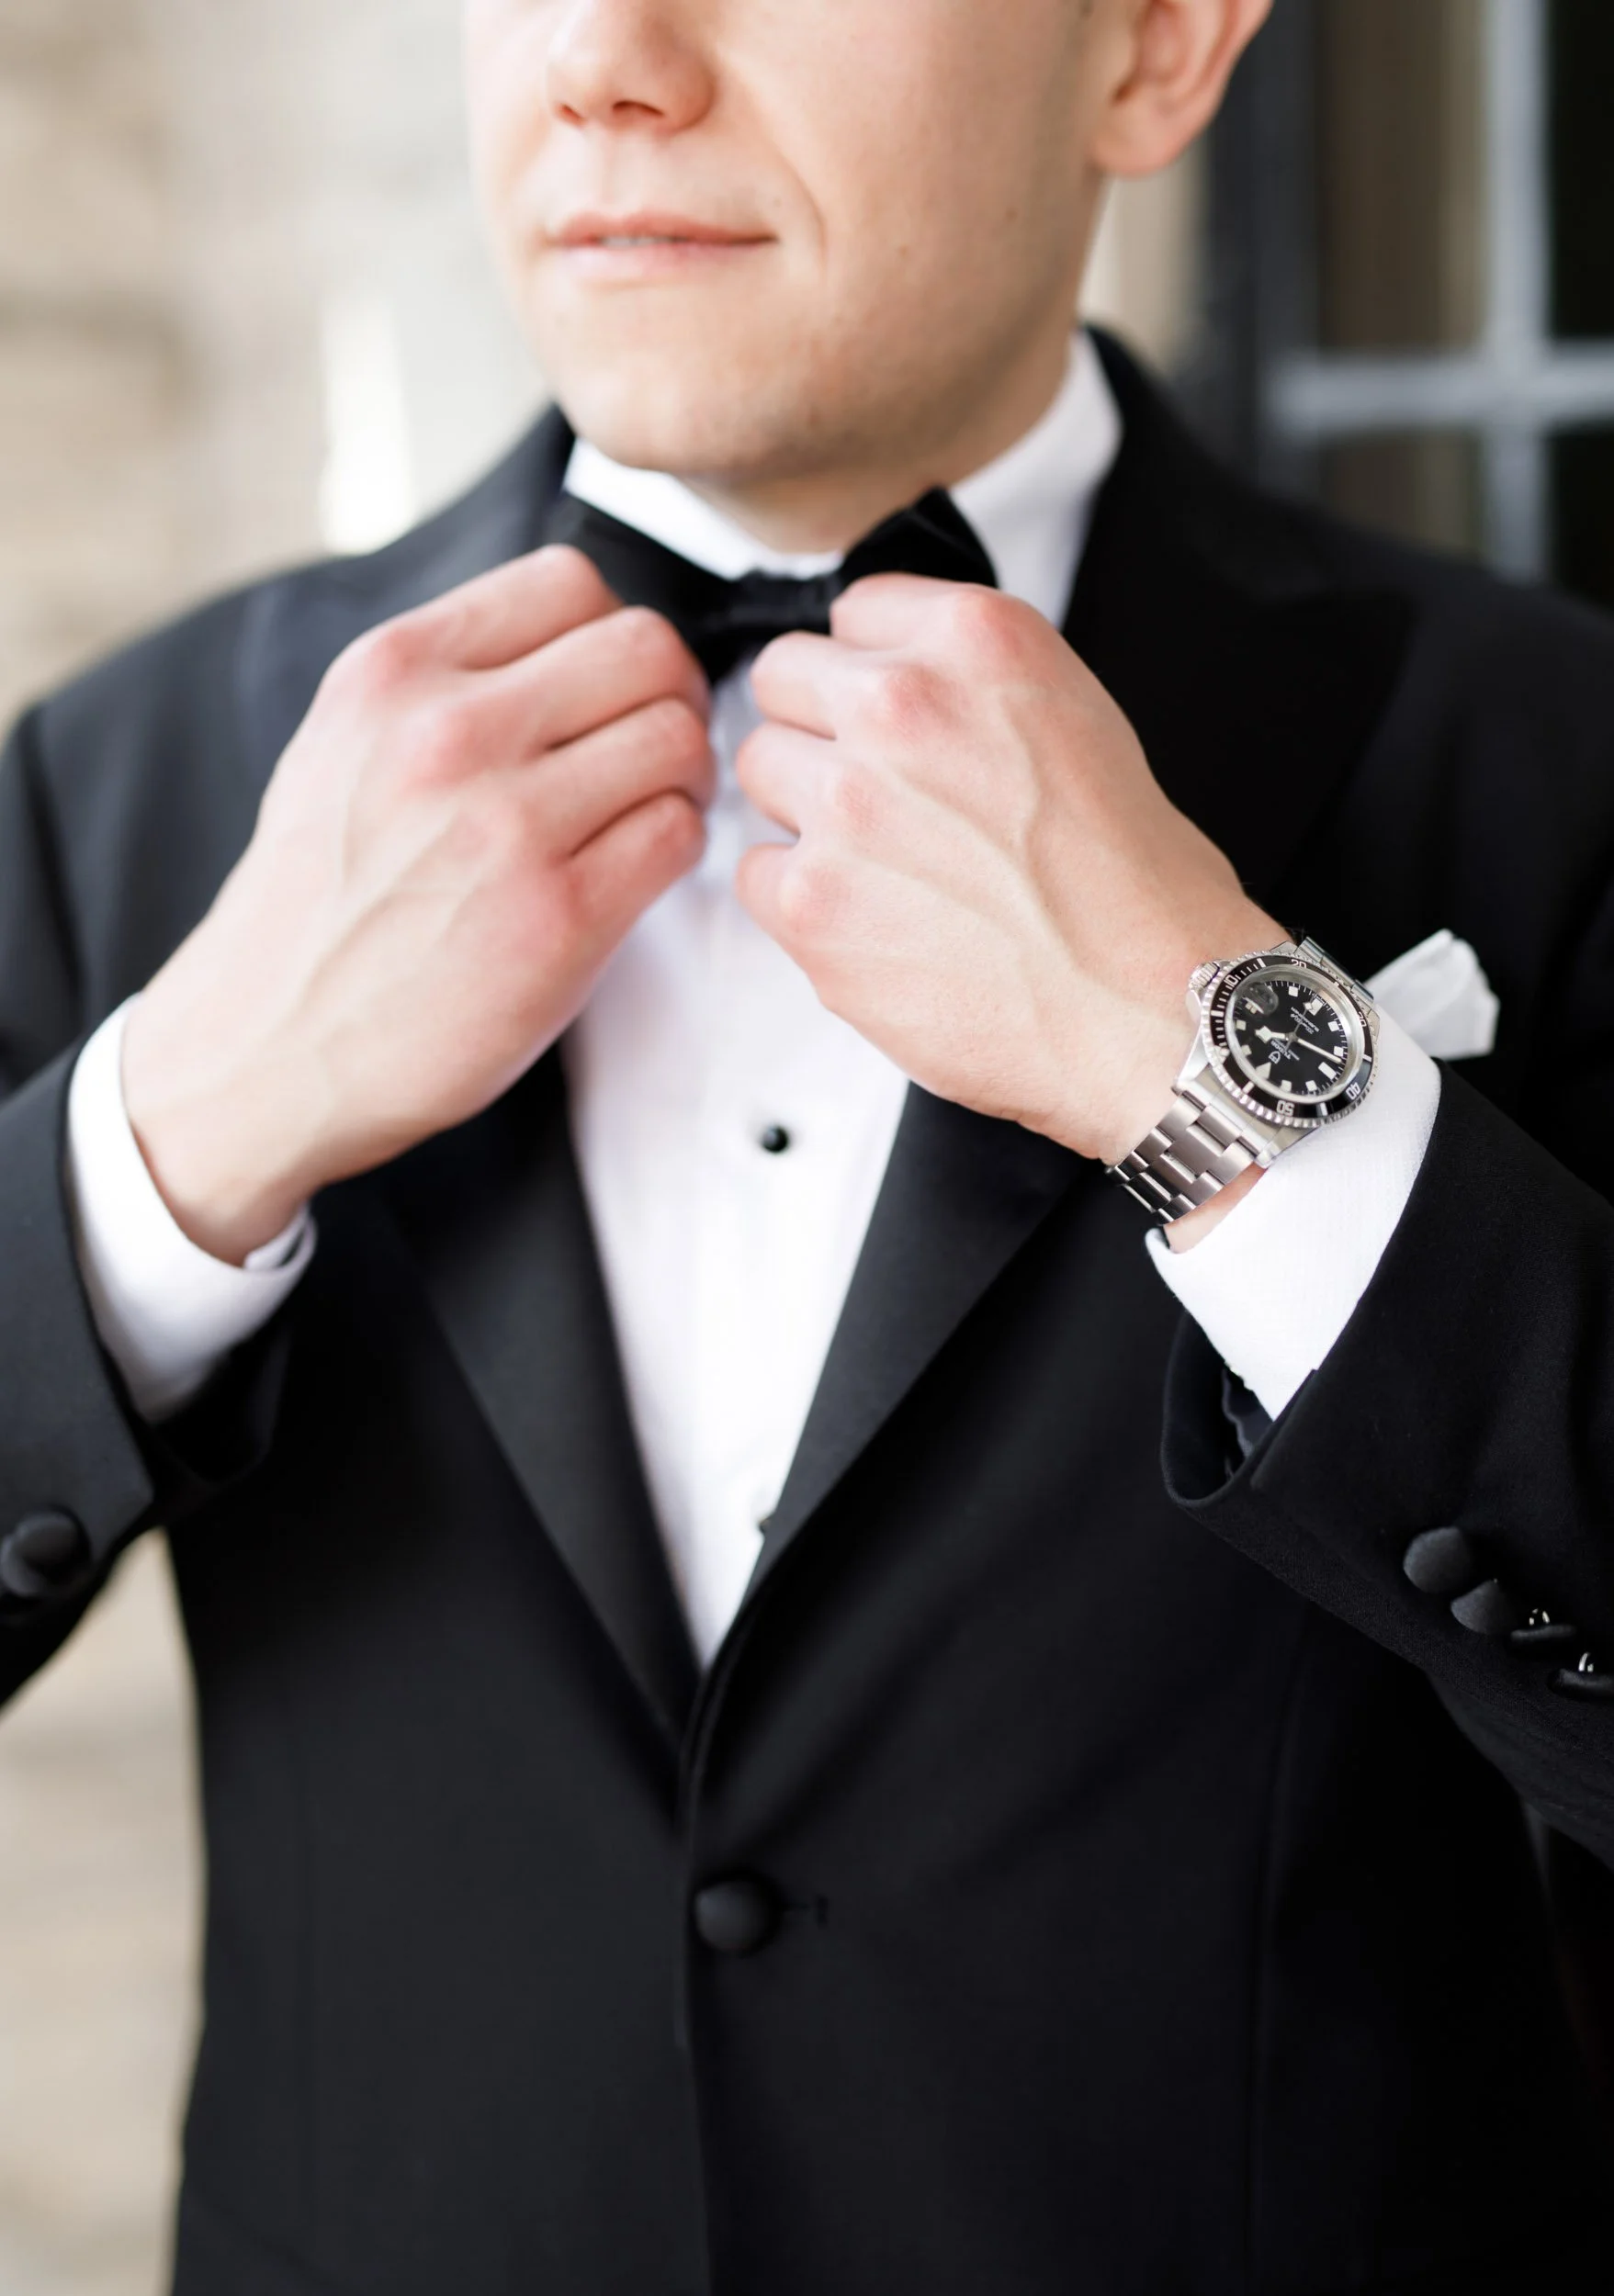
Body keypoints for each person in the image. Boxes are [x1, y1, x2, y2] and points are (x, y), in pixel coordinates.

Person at [4, 0, 1614, 2286]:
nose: (601, 60)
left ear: (1154, 48)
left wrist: (1226, 1081)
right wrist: (174, 1133)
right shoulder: (127, 774)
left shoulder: (1552, 758)